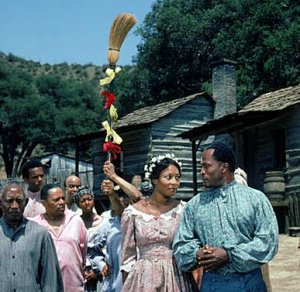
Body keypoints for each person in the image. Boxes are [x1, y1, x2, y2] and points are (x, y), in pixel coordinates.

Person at [173, 143, 279, 292]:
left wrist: (229, 254)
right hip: (212, 284)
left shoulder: (255, 199)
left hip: (249, 283)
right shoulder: (194, 205)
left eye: (206, 166)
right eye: (201, 167)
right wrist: (198, 254)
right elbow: (180, 246)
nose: (202, 172)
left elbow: (268, 241)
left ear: (223, 167)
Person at [121, 153, 198, 291]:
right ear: (155, 179)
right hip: (143, 279)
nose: (174, 182)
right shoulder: (132, 213)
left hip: (175, 277)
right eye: (168, 177)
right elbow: (127, 258)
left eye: (177, 178)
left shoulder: (183, 210)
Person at [0, 182, 63, 291]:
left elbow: (51, 280)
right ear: (0, 203)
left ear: (26, 202)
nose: (14, 206)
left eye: (19, 201)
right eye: (9, 201)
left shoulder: (40, 234)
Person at [31, 183, 88, 292]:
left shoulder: (75, 220)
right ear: (44, 203)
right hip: (46, 287)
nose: (62, 202)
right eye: (56, 200)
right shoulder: (35, 225)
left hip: (74, 286)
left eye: (63, 198)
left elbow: (83, 251)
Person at [74, 186, 103, 292]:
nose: (87, 203)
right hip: (81, 271)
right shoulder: (75, 223)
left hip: (100, 270)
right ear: (78, 204)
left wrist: (97, 272)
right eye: (83, 201)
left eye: (89, 199)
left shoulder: (102, 222)